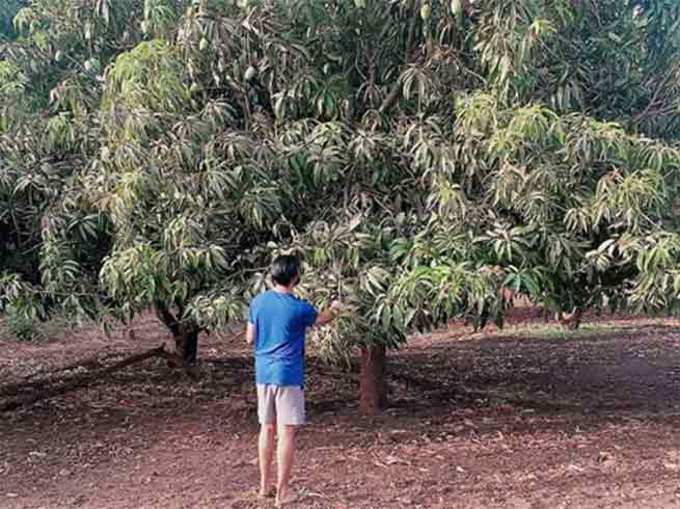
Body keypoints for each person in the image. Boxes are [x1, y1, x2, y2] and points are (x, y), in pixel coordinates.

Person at [246, 254, 342, 507]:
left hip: (263, 373)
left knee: (266, 428)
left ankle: (264, 487)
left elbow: (249, 338)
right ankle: (283, 493)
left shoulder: (258, 302)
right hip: (287, 375)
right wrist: (337, 307)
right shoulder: (299, 308)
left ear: (273, 274)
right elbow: (323, 318)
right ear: (296, 278)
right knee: (286, 432)